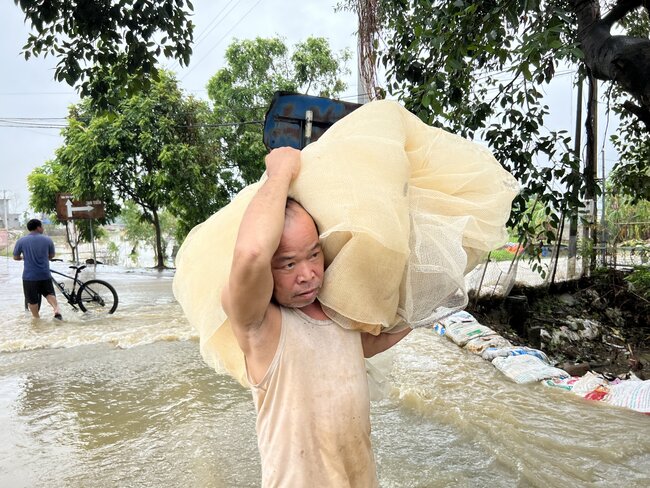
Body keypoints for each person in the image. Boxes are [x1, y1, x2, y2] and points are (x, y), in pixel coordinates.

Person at [221, 147, 412, 487]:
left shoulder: (338, 308)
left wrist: (422, 313)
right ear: (267, 269)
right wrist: (279, 174)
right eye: (289, 263)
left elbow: (365, 344)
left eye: (314, 255)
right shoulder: (260, 327)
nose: (308, 274)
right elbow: (251, 252)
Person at [13, 219, 62, 320]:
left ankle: (36, 319)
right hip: (45, 274)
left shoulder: (21, 241)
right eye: (42, 226)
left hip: (29, 276)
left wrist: (24, 257)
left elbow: (15, 257)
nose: (43, 228)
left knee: (32, 300)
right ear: (38, 227)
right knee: (49, 294)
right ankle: (56, 309)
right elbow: (51, 255)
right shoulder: (48, 240)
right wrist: (43, 258)